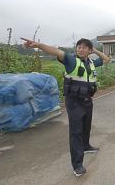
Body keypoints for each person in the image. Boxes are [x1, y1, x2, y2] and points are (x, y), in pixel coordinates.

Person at [21, 37, 110, 177]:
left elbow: (106, 59)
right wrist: (39, 45)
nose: (81, 49)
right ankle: (77, 165)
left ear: (89, 50)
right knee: (76, 132)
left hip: (87, 100)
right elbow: (56, 51)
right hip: (74, 102)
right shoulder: (71, 60)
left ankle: (86, 146)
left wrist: (96, 50)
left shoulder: (91, 62)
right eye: (79, 47)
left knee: (86, 126)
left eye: (84, 47)